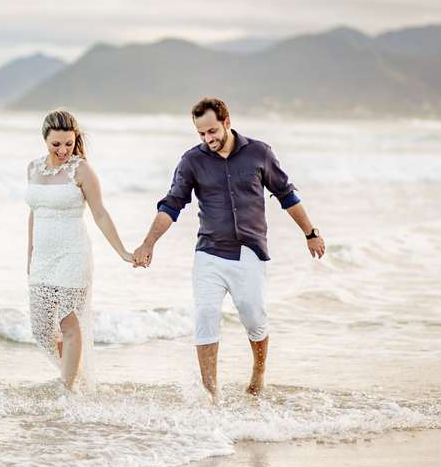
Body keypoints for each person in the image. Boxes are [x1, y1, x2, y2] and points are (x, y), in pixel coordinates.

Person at [132, 98, 325, 400]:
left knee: (254, 317)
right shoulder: (191, 161)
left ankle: (258, 373)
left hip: (250, 251)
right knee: (206, 315)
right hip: (209, 252)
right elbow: (171, 204)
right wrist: (148, 243)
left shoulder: (259, 152)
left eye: (212, 130)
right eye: (201, 134)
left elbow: (285, 193)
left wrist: (310, 233)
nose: (208, 139)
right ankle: (212, 394)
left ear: (226, 121)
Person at [27, 110, 135, 391]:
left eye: (69, 143)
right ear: (45, 140)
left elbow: (99, 213)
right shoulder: (33, 168)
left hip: (73, 254)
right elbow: (34, 213)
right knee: (40, 329)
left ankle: (67, 389)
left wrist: (123, 252)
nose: (63, 150)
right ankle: (79, 378)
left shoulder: (82, 170)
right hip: (42, 258)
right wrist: (30, 254)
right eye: (56, 144)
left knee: (67, 323)